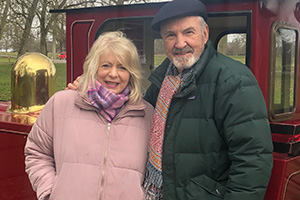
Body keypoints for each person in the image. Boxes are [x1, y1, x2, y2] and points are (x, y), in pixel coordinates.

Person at [68, 0, 274, 199]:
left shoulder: (233, 80)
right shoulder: (161, 81)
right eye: (170, 35)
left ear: (205, 34)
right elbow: (128, 111)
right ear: (163, 42)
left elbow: (252, 160)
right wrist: (91, 89)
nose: (180, 43)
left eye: (188, 32)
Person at [24, 31, 154, 200]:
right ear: (94, 67)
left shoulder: (147, 114)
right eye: (106, 65)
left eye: (122, 67)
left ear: (131, 73)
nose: (113, 74)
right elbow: (37, 152)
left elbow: (156, 170)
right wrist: (50, 192)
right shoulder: (61, 104)